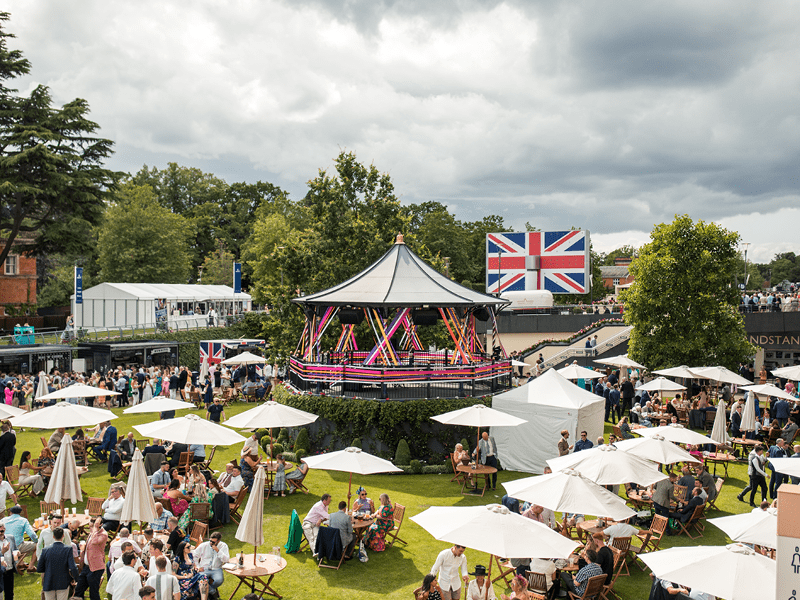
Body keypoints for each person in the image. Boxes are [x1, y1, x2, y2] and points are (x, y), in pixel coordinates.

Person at [37, 526, 78, 600]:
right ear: (63, 536)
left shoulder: (45, 550)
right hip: (63, 582)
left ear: (53, 536)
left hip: (48, 581)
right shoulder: (68, 549)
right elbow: (73, 567)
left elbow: (39, 568)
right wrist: (77, 579)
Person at [73, 517, 108, 600]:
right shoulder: (93, 533)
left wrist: (95, 529)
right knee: (79, 589)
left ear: (100, 526)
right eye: (89, 527)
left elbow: (94, 541)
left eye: (91, 526)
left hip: (96, 568)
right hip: (86, 566)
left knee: (93, 593)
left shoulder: (103, 534)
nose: (90, 529)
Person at [193, 532, 229, 597]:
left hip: (216, 569)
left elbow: (226, 560)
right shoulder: (204, 545)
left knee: (219, 580)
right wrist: (198, 566)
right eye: (210, 541)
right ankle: (212, 592)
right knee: (199, 579)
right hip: (204, 568)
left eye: (213, 542)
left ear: (219, 541)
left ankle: (207, 591)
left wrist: (218, 551)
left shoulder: (223, 546)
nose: (211, 543)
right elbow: (194, 555)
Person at [0, 522, 18, 600]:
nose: (0, 533)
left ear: (4, 529)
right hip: (0, 570)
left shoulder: (11, 537)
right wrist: (2, 552)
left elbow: (15, 549)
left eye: (1, 531)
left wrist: (17, 552)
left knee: (9, 593)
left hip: (10, 569)